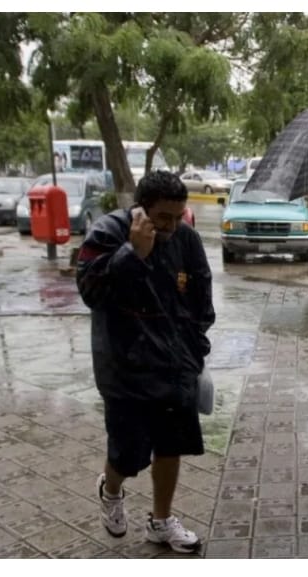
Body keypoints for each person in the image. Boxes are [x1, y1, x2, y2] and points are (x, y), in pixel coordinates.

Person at [76, 171, 215, 553]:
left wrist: (194, 352)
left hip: (174, 366)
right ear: (141, 209)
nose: (170, 227)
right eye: (162, 218)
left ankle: (161, 521)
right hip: (124, 368)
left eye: (177, 216)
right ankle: (111, 489)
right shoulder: (108, 233)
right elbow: (90, 291)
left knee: (171, 446)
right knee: (129, 451)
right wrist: (132, 253)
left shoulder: (186, 239)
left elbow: (202, 300)